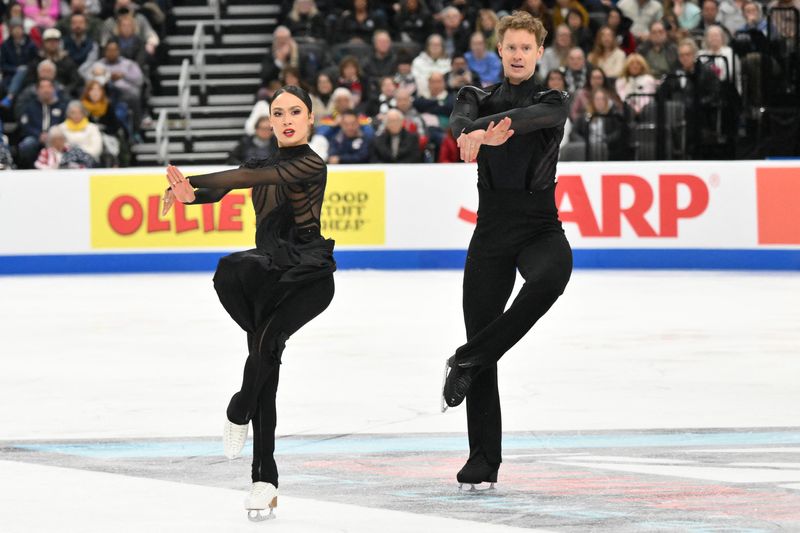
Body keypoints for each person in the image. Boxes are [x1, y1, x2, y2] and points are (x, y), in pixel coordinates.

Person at [162, 85, 335, 521]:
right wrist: (191, 196)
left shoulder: (311, 163)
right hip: (266, 274)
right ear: (270, 120)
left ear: (311, 118)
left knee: (264, 349)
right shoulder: (260, 161)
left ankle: (239, 406)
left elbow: (243, 180)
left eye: (296, 111)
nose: (287, 119)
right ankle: (264, 480)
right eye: (279, 113)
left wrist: (194, 179)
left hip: (308, 276)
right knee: (266, 362)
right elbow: (222, 192)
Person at [443, 11, 572, 489]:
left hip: (540, 226)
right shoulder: (473, 96)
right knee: (483, 330)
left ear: (539, 52)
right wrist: (469, 131)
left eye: (526, 48)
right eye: (510, 47)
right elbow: (458, 122)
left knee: (551, 277)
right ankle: (482, 458)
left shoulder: (552, 99)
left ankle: (467, 358)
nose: (518, 55)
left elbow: (531, 118)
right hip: (492, 231)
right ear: (499, 50)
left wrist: (483, 130)